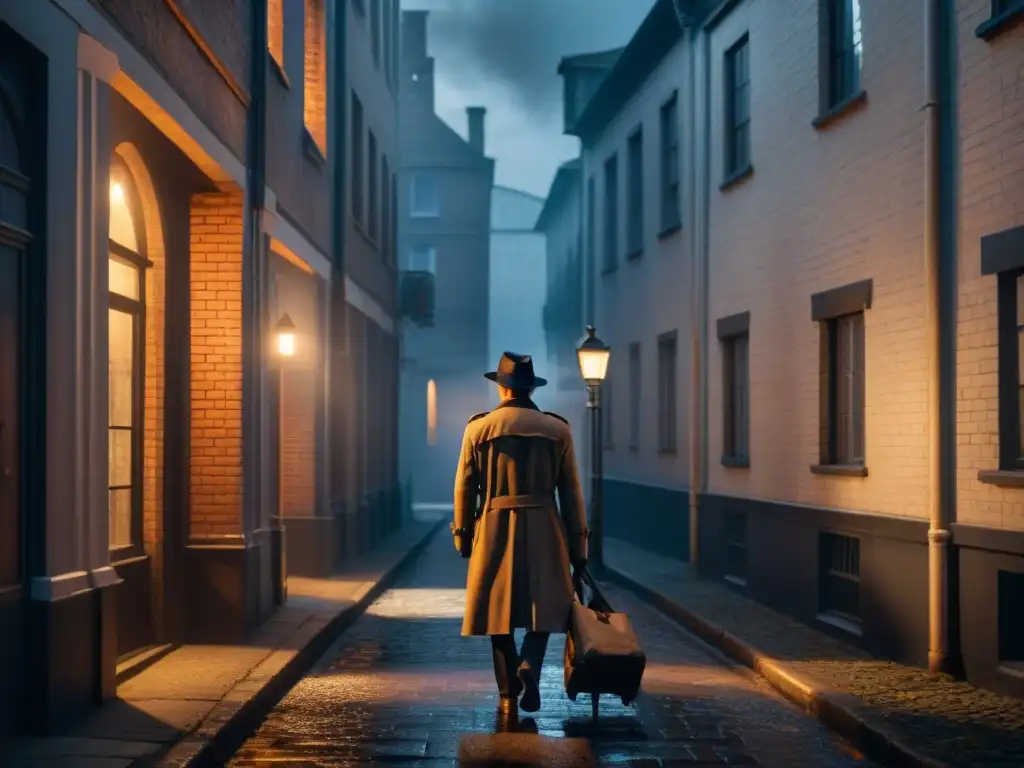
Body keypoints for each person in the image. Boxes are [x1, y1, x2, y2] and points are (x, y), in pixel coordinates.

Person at [451, 351, 588, 715]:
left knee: (497, 609)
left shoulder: (478, 429)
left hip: (494, 522)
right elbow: (571, 494)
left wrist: (462, 535)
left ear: (502, 388)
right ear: (529, 388)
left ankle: (508, 686)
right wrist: (579, 547)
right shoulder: (558, 430)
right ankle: (530, 662)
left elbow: (465, 486)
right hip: (545, 523)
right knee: (546, 605)